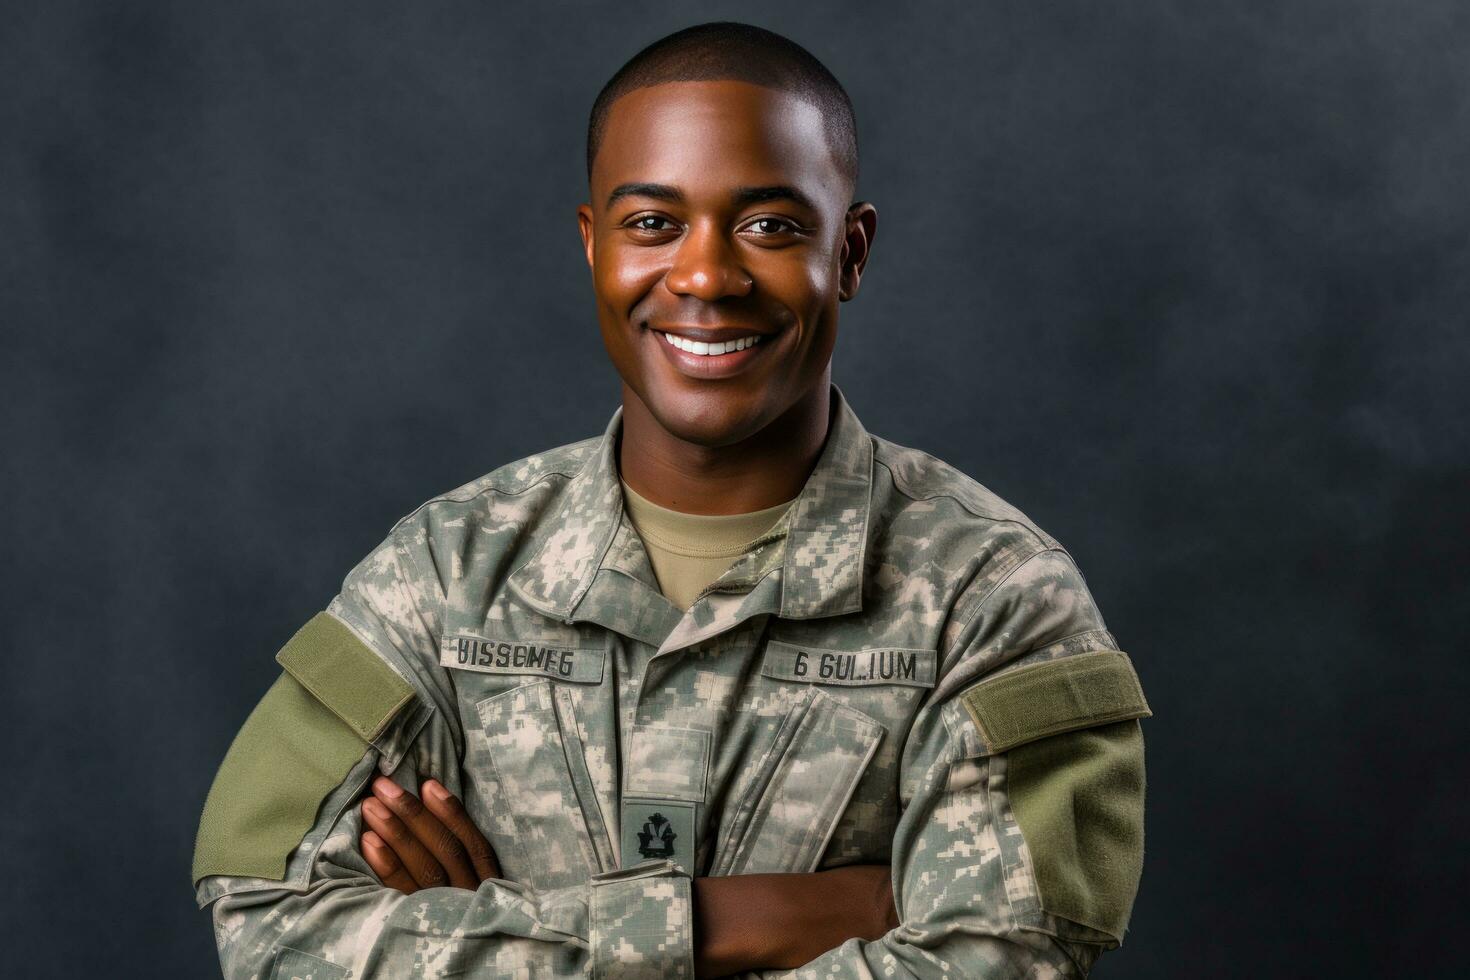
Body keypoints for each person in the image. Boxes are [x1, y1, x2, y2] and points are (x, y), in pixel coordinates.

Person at [191, 21, 1151, 979]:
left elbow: (999, 960)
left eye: (770, 226)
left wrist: (493, 933)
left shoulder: (994, 600)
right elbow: (271, 931)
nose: (705, 277)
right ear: (593, 244)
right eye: (652, 223)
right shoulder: (448, 570)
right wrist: (732, 923)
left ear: (850, 253)